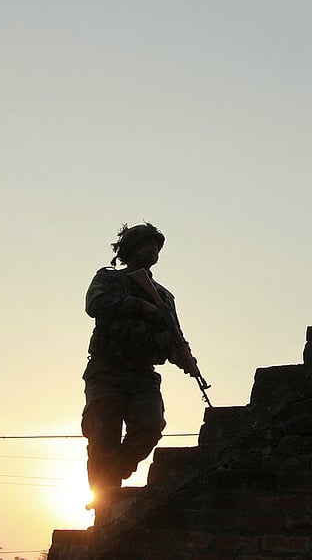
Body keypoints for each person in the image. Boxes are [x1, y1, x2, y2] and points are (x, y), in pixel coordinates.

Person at [79, 223, 198, 523]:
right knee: (102, 437)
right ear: (130, 250)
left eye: (156, 246)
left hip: (142, 375)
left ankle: (111, 475)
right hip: (106, 371)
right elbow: (94, 304)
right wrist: (138, 306)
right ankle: (104, 502)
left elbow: (173, 337)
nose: (153, 251)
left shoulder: (164, 296)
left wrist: (186, 359)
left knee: (151, 424)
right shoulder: (109, 278)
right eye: (147, 245)